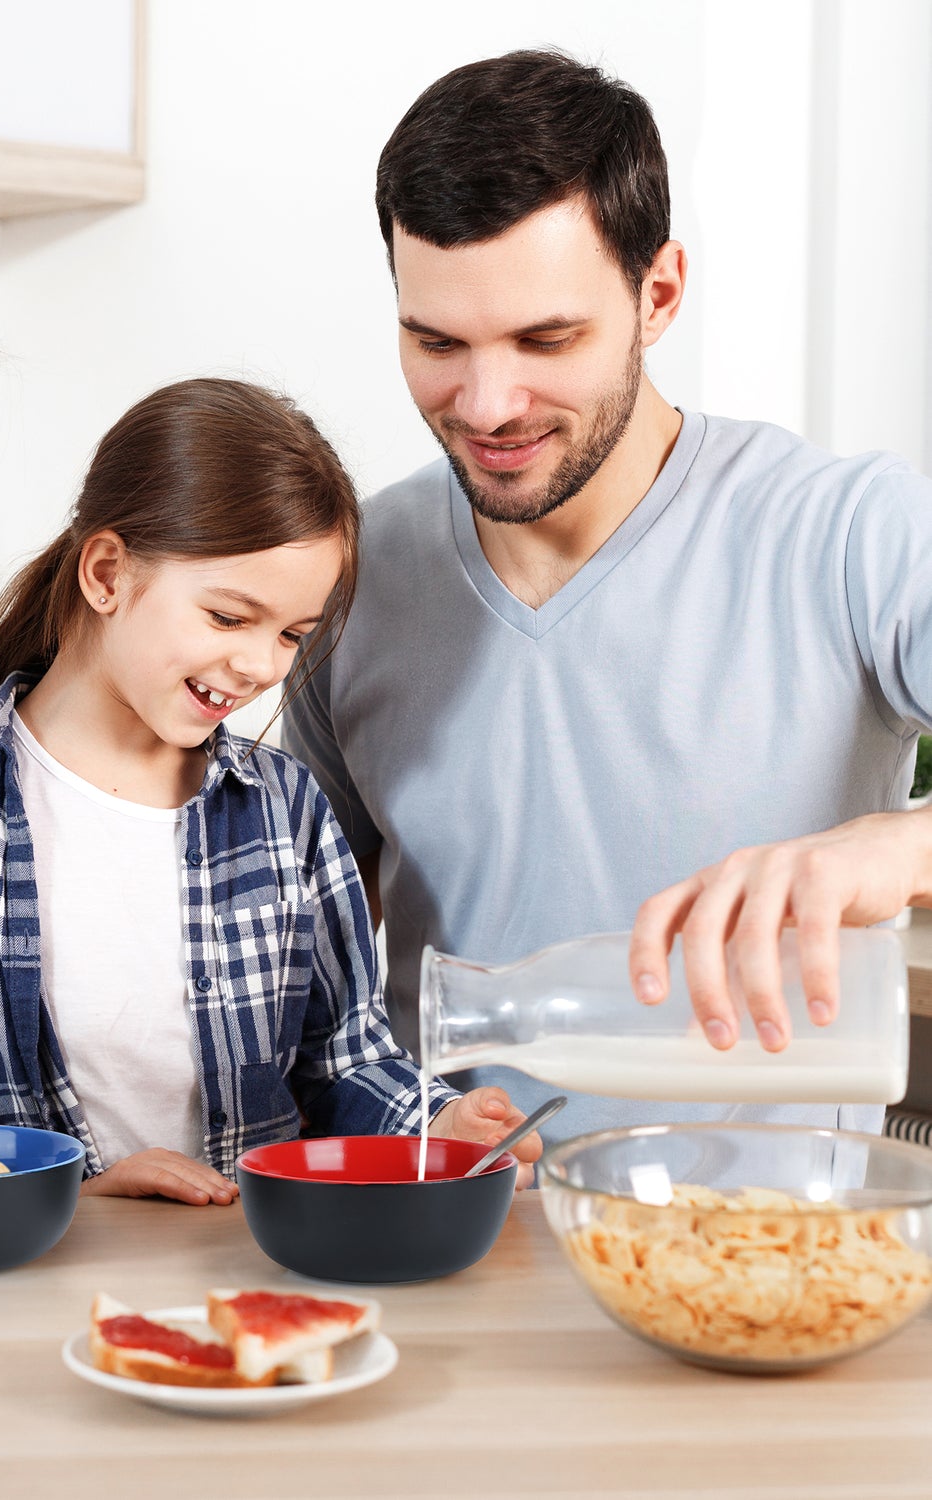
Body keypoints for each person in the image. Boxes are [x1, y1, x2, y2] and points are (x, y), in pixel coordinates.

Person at [283, 50, 932, 1144]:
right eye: (436, 341)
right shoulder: (349, 573)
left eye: (547, 340)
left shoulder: (848, 529)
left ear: (659, 293)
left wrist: (895, 850)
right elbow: (297, 951)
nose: (488, 404)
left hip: (761, 1272)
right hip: (453, 1253)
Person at [0, 378, 542, 1203]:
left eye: (294, 633)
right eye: (229, 618)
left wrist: (433, 1125)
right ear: (108, 572)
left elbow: (345, 1060)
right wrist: (71, 1190)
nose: (263, 667)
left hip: (252, 1263)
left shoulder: (285, 811)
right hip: (16, 1269)